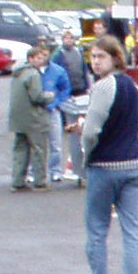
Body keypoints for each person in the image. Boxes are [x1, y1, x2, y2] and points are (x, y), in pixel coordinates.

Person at [77, 35, 138, 274]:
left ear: (115, 58)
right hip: (133, 163)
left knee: (96, 229)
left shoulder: (103, 87)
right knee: (133, 232)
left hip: (105, 165)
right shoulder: (134, 87)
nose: (95, 62)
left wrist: (86, 154)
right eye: (92, 57)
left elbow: (91, 130)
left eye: (100, 57)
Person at [6, 42, 55, 191]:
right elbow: (36, 97)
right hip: (34, 119)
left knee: (20, 150)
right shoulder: (33, 74)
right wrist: (49, 96)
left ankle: (17, 181)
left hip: (17, 118)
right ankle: (40, 181)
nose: (42, 61)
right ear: (31, 58)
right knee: (39, 150)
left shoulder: (17, 73)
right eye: (39, 58)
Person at [56, 33, 89, 185]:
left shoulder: (79, 53)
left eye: (70, 38)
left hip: (81, 91)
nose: (68, 41)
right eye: (65, 38)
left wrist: (87, 87)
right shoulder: (58, 55)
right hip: (67, 95)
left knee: (84, 131)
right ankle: (78, 170)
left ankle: (85, 169)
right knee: (73, 133)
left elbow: (84, 70)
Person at [41, 43, 71, 184]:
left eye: (46, 53)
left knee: (56, 143)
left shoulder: (58, 71)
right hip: (36, 112)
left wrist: (57, 102)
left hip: (53, 110)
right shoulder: (32, 70)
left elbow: (65, 89)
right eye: (40, 54)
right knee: (36, 144)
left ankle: (56, 171)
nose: (43, 57)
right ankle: (34, 171)